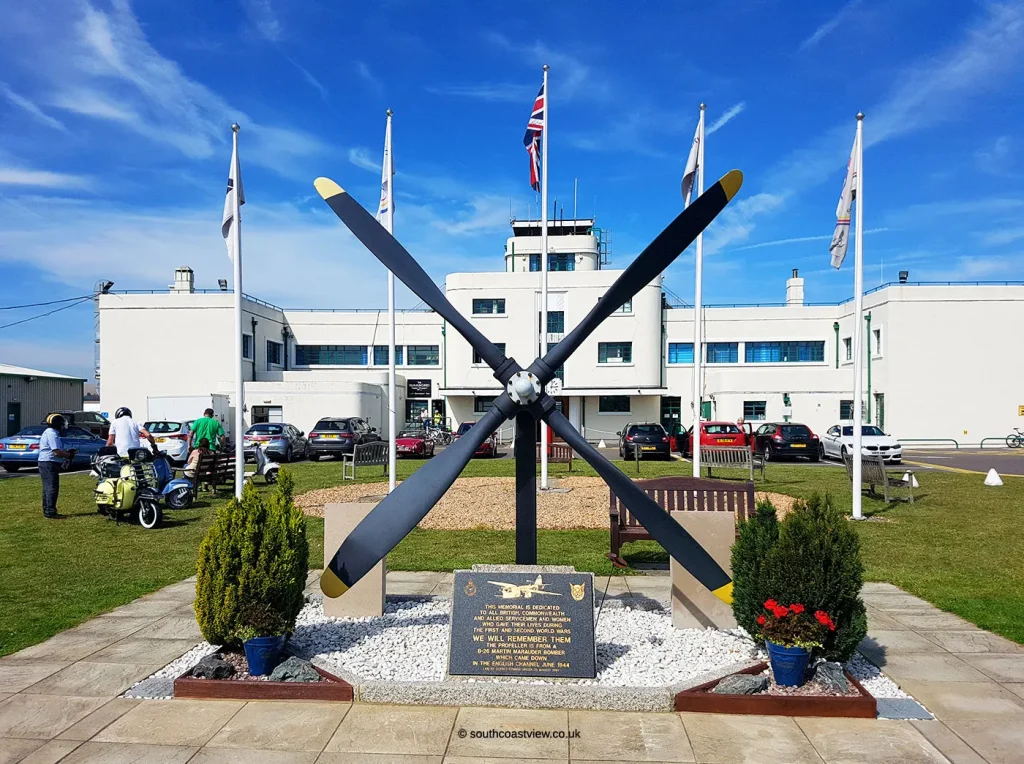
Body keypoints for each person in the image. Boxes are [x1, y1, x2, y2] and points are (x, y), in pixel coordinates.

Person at [38, 414, 76, 519]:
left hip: (45, 462)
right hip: (49, 462)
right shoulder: (52, 434)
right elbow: (56, 452)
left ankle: (47, 509)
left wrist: (66, 452)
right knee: (52, 487)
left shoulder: (48, 432)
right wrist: (69, 455)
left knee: (47, 488)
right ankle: (50, 511)